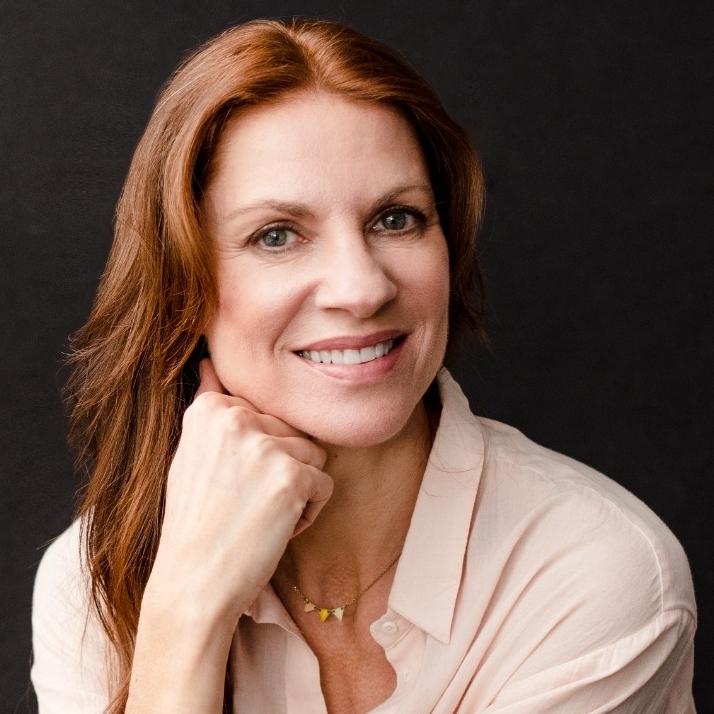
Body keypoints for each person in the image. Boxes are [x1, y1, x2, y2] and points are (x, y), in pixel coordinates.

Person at [31, 18, 696, 714]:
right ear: (183, 290)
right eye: (277, 235)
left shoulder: (592, 571)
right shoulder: (90, 583)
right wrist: (187, 610)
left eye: (396, 219)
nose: (362, 288)